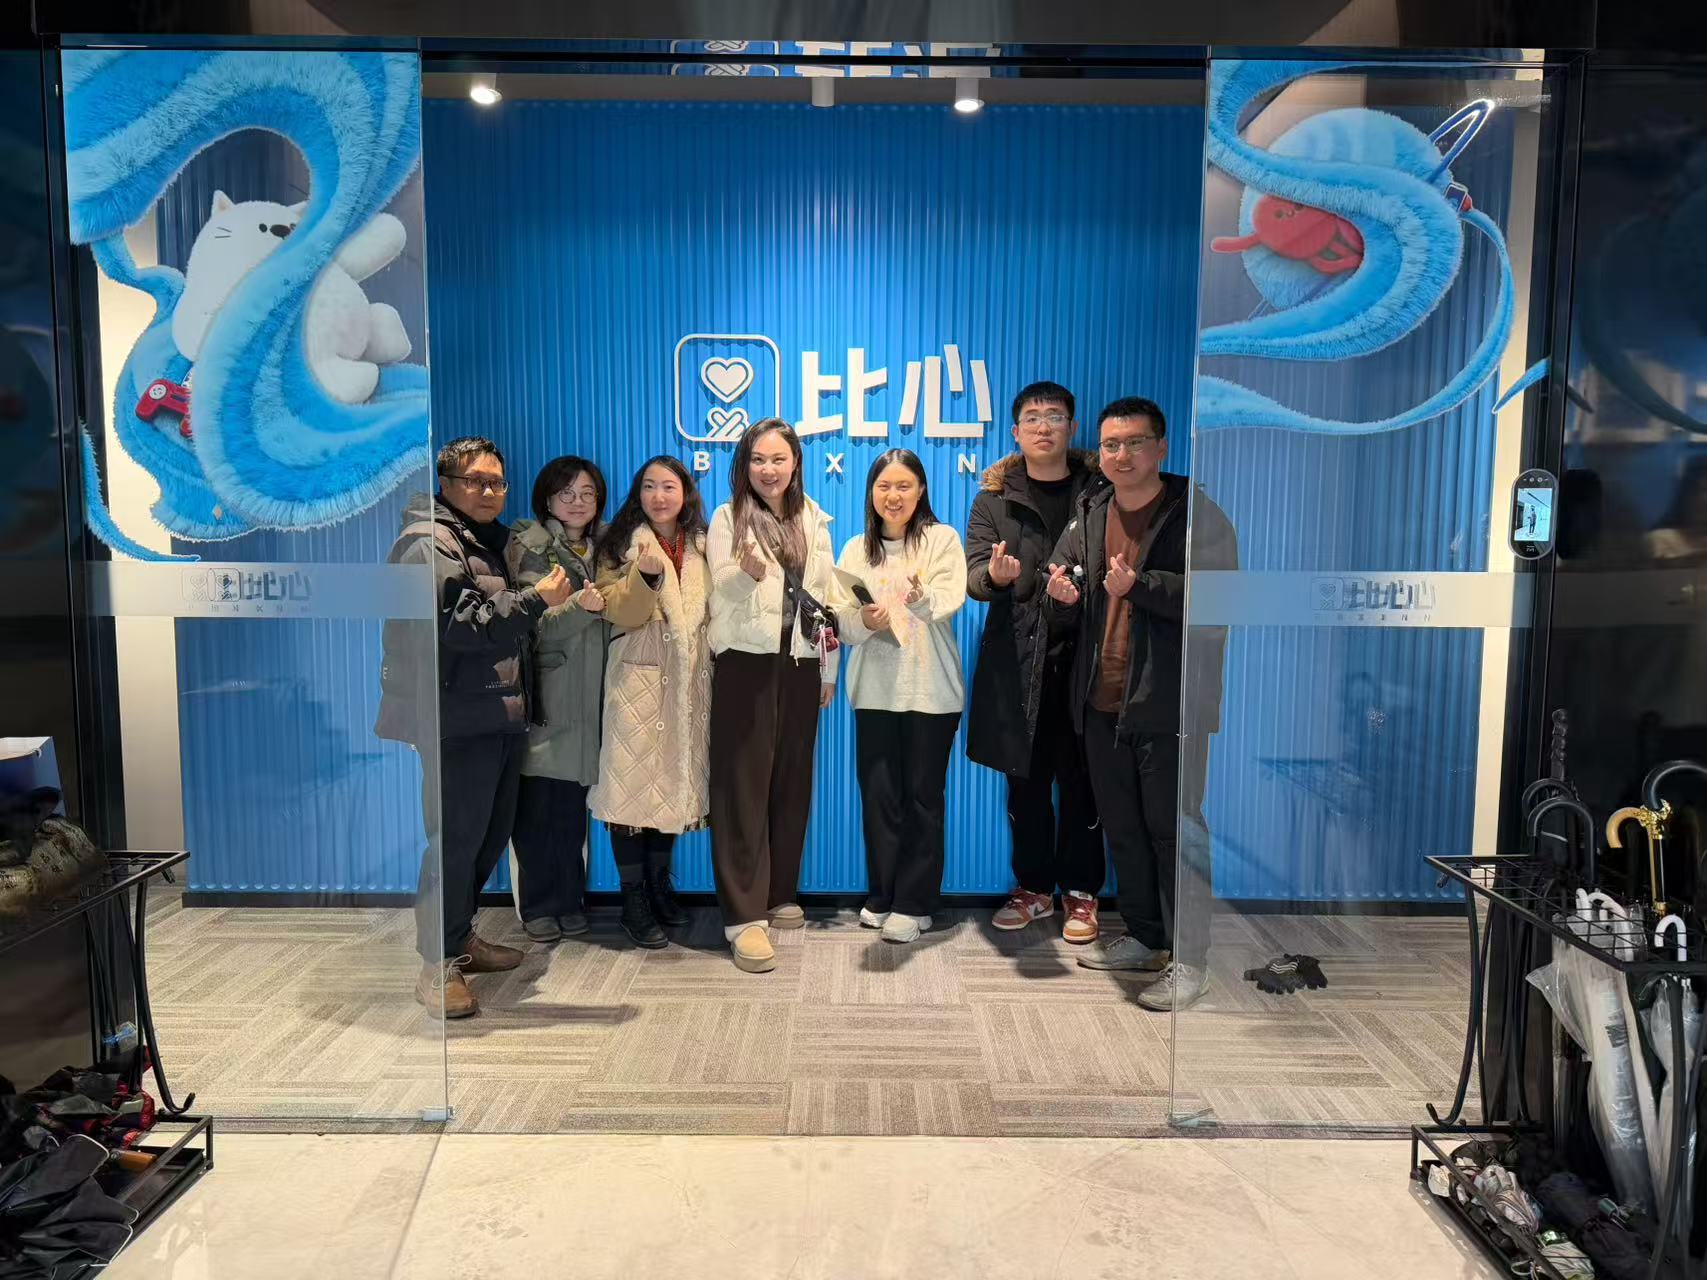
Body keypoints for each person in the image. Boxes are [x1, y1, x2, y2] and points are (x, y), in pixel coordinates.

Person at [1043, 396, 1237, 1012]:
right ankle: (1148, 938)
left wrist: (1142, 586)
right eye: (1110, 445)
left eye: (1134, 443)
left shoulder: (1196, 515)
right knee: (1123, 829)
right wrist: (1061, 590)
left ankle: (1192, 960)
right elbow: (1065, 570)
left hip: (1170, 706)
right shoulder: (1092, 508)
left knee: (1175, 833)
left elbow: (1223, 599)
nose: (1121, 455)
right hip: (1102, 702)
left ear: (1161, 448)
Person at [377, 436, 575, 1020]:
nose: (489, 491)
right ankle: (434, 966)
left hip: (496, 714)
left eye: (497, 482)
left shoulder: (485, 540)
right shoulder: (427, 544)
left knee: (488, 837)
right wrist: (536, 600)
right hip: (454, 719)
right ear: (446, 485)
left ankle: (459, 938)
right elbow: (459, 627)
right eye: (475, 481)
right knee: (454, 842)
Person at [964, 381, 1105, 943]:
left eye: (1054, 416)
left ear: (1073, 427)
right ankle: (1033, 888)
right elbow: (975, 574)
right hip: (1020, 664)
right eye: (1032, 417)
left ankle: (1082, 892)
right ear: (1015, 431)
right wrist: (995, 577)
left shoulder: (1099, 493)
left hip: (1087, 660)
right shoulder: (993, 500)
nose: (1043, 425)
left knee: (1084, 782)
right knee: (1025, 785)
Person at [707, 419, 839, 974]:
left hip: (801, 662)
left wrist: (829, 670)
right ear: (745, 464)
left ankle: (780, 891)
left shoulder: (813, 518)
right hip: (746, 661)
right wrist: (746, 574)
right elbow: (720, 591)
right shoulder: (727, 517)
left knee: (791, 778)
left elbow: (826, 600)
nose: (768, 469)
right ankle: (743, 918)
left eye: (778, 459)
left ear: (795, 463)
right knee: (742, 786)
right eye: (758, 459)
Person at [836, 449, 967, 944]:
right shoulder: (856, 549)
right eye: (884, 486)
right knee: (879, 798)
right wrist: (863, 621)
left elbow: (949, 600)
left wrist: (920, 599)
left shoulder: (941, 539)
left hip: (932, 692)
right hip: (873, 692)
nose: (893, 496)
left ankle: (915, 904)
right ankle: (884, 895)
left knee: (922, 799)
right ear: (871, 492)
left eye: (904, 486)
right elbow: (840, 622)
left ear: (921, 490)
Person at [586, 456, 713, 949]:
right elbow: (619, 612)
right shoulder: (617, 543)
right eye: (649, 486)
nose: (659, 496)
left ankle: (660, 886)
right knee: (629, 788)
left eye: (669, 486)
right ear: (638, 493)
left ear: (686, 493)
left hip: (688, 685)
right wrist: (646, 577)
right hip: (637, 683)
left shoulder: (702, 544)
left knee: (672, 781)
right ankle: (633, 898)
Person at [505, 456, 610, 944]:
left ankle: (570, 901)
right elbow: (534, 624)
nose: (577, 502)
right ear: (547, 499)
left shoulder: (609, 547)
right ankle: (538, 906)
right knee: (536, 809)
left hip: (593, 696)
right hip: (548, 693)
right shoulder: (530, 545)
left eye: (587, 493)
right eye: (566, 493)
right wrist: (581, 608)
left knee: (570, 812)